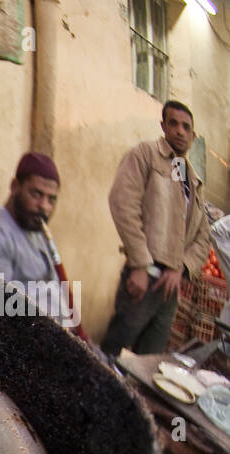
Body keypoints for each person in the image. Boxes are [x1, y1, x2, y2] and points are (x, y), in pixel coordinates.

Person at [101, 100, 211, 356]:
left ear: (193, 136)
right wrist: (139, 264)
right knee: (113, 356)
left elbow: (203, 235)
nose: (180, 131)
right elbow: (123, 203)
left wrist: (181, 267)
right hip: (143, 276)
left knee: (149, 361)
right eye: (173, 123)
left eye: (186, 127)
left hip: (170, 288)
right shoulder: (145, 155)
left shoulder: (193, 181)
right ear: (163, 126)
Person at [0, 152, 65, 322]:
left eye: (51, 199)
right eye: (36, 194)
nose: (44, 206)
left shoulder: (37, 231)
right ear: (15, 187)